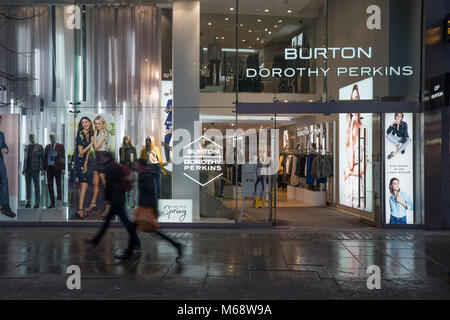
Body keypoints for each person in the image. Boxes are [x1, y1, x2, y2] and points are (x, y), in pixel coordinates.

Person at [85, 152, 140, 260]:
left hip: (116, 199)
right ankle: (95, 240)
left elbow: (108, 184)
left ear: (107, 158)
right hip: (119, 197)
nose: (101, 159)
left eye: (102, 157)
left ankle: (136, 242)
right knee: (111, 222)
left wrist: (106, 198)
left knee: (126, 222)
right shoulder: (114, 165)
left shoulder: (109, 167)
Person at [134, 158, 182, 259]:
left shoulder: (146, 176)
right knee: (136, 229)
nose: (134, 166)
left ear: (140, 165)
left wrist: (154, 208)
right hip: (144, 206)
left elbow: (152, 193)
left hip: (146, 207)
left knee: (153, 231)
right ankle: (176, 245)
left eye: (136, 164)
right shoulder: (143, 174)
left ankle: (176, 245)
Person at [343, 113, 368, 210]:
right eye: (351, 116)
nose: (354, 118)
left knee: (360, 206)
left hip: (357, 179)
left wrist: (350, 172)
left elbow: (363, 168)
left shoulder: (364, 129)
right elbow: (351, 164)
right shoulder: (348, 135)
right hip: (350, 181)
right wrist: (350, 131)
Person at [89, 116, 110, 216]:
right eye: (95, 124)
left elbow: (96, 147)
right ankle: (93, 204)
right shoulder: (98, 132)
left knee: (105, 183)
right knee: (95, 183)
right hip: (98, 158)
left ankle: (108, 207)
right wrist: (94, 136)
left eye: (99, 123)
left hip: (102, 157)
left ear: (103, 124)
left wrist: (93, 139)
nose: (97, 125)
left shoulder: (103, 132)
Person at [74, 117, 94, 219]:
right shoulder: (80, 134)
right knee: (84, 185)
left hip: (83, 163)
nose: (85, 124)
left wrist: (86, 164)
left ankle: (79, 209)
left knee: (82, 186)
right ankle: (80, 210)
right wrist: (91, 143)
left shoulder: (90, 134)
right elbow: (81, 152)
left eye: (86, 122)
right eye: (83, 123)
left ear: (90, 123)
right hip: (77, 162)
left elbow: (88, 152)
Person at [0, 116, 15, 218]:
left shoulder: (1, 134)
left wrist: (6, 149)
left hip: (0, 162)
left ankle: (5, 206)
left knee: (4, 182)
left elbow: (6, 147)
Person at [120, 136, 137, 208]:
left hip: (132, 169)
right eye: (124, 139)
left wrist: (133, 166)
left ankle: (133, 202)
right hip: (124, 170)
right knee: (125, 187)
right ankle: (126, 202)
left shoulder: (133, 149)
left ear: (129, 140)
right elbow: (121, 161)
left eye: (126, 139)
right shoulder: (121, 149)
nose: (125, 141)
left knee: (133, 186)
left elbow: (135, 159)